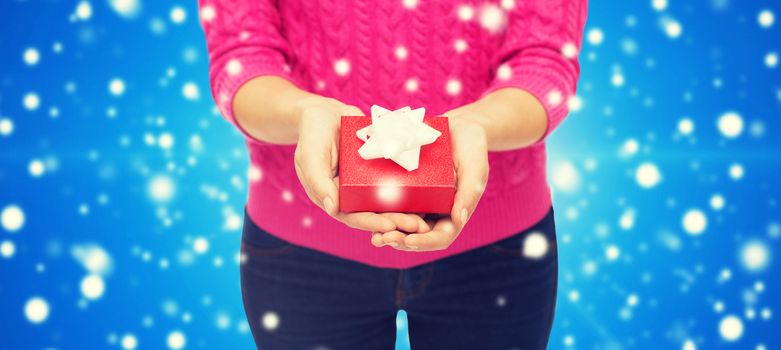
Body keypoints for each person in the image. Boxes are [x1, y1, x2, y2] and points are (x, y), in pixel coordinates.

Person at [199, 0, 587, 348]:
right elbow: (242, 55)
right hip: (299, 251)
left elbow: (545, 59)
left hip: (497, 250)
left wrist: (480, 124)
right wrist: (303, 113)